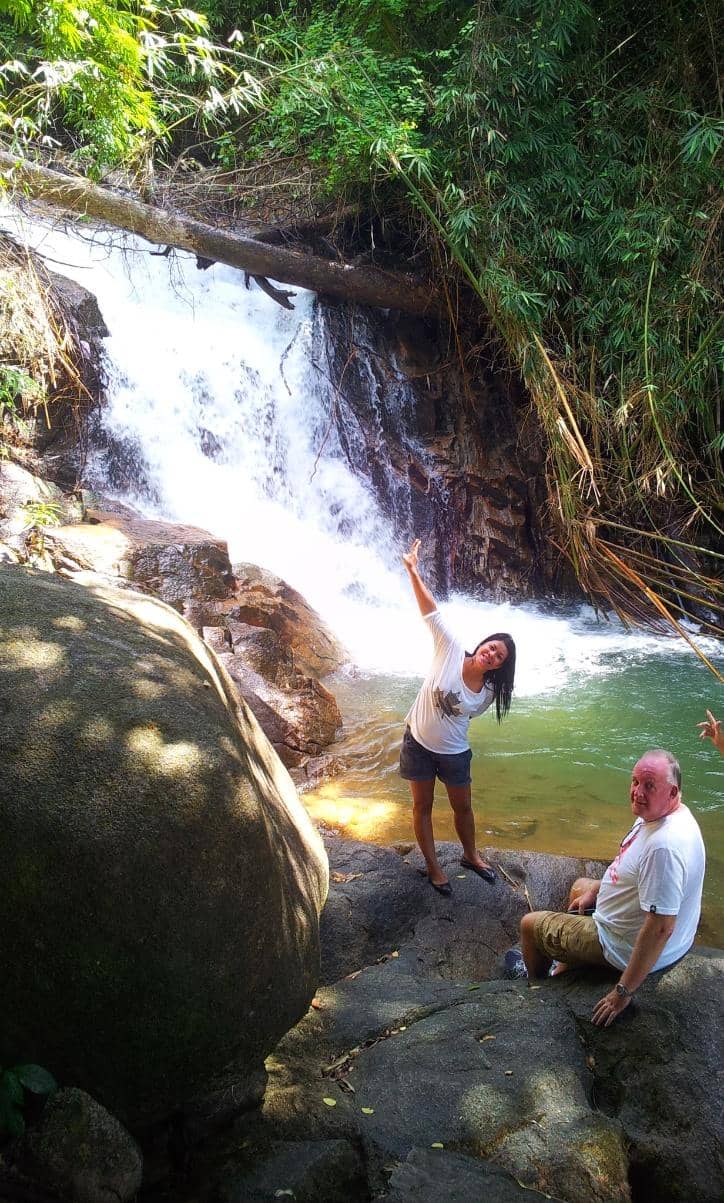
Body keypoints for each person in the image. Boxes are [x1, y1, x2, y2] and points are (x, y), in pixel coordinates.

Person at [515, 748, 705, 1026]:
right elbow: (625, 864)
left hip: (620, 944)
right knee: (580, 887)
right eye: (635, 782)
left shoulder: (663, 847)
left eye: (649, 786)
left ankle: (537, 991)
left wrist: (622, 992)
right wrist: (596, 890)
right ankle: (563, 970)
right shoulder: (664, 814)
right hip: (637, 925)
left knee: (529, 926)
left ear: (672, 792)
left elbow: (661, 927)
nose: (638, 792)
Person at [400, 538, 516, 896]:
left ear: (499, 666)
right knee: (421, 806)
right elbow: (430, 611)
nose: (492, 655)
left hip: (454, 752)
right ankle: (434, 867)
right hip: (418, 742)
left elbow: (470, 715)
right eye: (492, 647)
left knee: (462, 807)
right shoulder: (449, 648)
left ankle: (471, 856)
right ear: (483, 643)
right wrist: (412, 571)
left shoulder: (489, 692)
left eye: (499, 657)